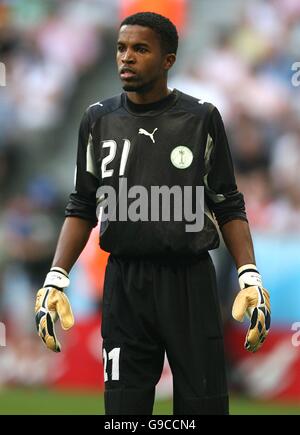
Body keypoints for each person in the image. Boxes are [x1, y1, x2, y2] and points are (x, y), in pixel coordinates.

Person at [35, 12, 271, 415]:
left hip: (190, 281)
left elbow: (227, 202)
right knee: (124, 413)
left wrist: (249, 273)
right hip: (125, 283)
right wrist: (56, 277)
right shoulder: (97, 119)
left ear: (168, 60)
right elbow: (82, 204)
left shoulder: (201, 119)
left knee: (203, 411)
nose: (126, 57)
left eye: (140, 49)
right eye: (121, 48)